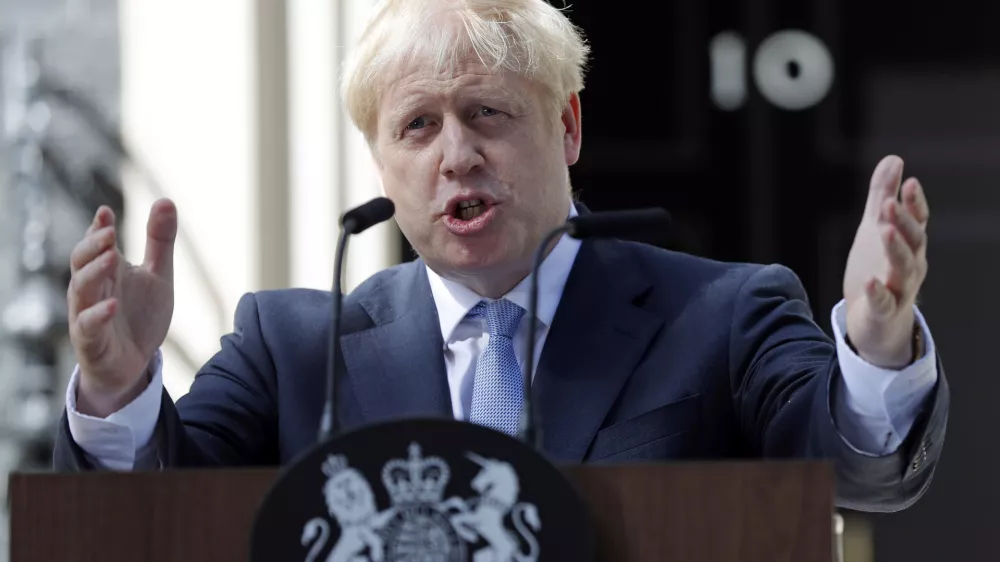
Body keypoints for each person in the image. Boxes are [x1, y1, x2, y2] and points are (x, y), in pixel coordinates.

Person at [54, 0, 947, 512]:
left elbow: (854, 470)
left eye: (486, 112)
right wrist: (117, 391)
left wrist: (875, 345)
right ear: (380, 164)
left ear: (567, 127)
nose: (456, 156)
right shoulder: (288, 348)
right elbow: (153, 521)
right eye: (417, 126)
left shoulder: (724, 316)